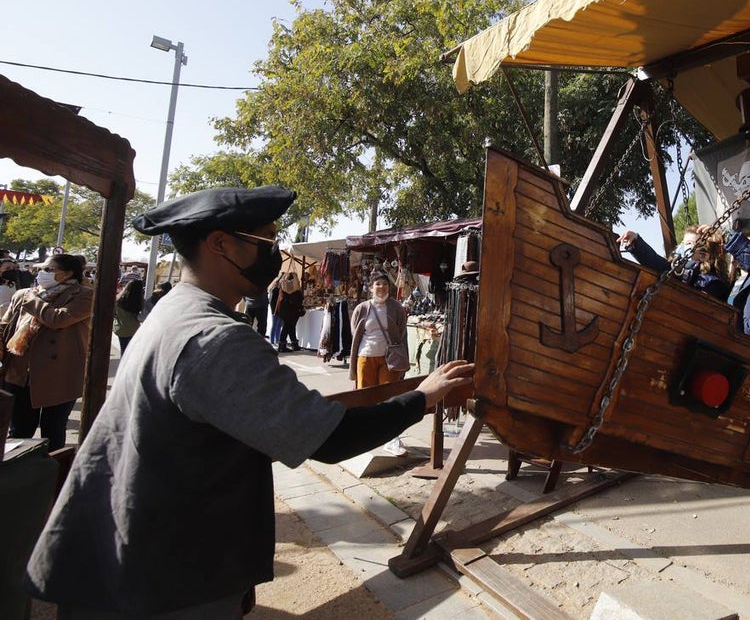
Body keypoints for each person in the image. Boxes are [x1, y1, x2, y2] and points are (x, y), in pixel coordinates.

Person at [24, 184, 473, 617]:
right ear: (221, 244)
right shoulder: (215, 338)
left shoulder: (175, 309)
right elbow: (331, 438)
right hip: (163, 574)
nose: (275, 255)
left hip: (134, 551)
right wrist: (421, 397)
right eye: (266, 242)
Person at [0, 253, 93, 450]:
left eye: (49, 269)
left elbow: (58, 319)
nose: (42, 273)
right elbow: (6, 325)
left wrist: (33, 301)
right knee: (19, 431)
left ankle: (51, 468)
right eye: (41, 269)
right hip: (20, 373)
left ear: (67, 273)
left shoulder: (84, 295)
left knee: (53, 430)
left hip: (59, 374)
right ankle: (17, 468)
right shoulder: (24, 294)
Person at [349, 271, 410, 456]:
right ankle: (365, 435)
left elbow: (401, 331)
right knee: (365, 396)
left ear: (389, 287)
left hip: (389, 359)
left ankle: (391, 438)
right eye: (377, 284)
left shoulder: (397, 308)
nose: (381, 287)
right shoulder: (362, 308)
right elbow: (355, 331)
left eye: (384, 284)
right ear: (371, 288)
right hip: (365, 356)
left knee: (390, 396)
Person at [618, 226, 731, 301]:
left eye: (689, 243)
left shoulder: (712, 283)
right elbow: (657, 263)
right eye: (683, 243)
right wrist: (636, 242)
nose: (682, 247)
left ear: (703, 256)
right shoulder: (678, 271)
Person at [112, 278, 144, 355]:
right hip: (133, 329)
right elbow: (142, 315)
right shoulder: (139, 301)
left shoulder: (118, 299)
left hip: (120, 328)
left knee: (123, 350)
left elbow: (113, 313)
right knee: (131, 351)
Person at [274, 273, 304, 352]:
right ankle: (282, 346)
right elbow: (299, 300)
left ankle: (293, 344)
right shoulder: (295, 290)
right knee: (288, 327)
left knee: (290, 326)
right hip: (293, 310)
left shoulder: (283, 288)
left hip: (284, 310)